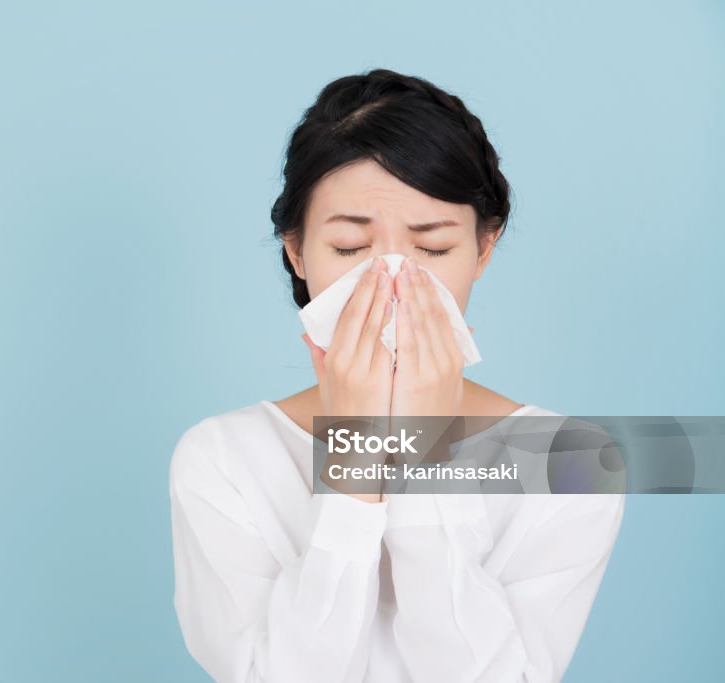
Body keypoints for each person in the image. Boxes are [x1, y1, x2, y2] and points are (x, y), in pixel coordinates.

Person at [168, 68, 626, 682]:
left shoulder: (572, 461)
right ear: (297, 252)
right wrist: (355, 463)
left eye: (432, 248)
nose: (391, 285)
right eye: (352, 249)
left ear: (483, 250)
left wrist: (419, 451)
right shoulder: (223, 458)